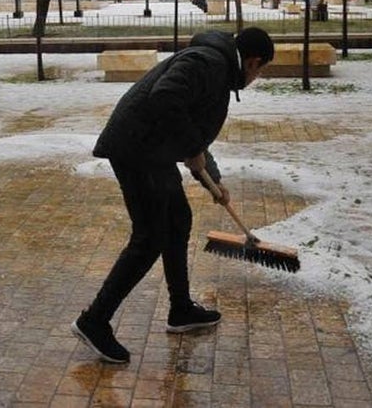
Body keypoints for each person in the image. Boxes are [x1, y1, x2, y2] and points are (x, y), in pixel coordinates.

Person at [72, 27, 276, 364]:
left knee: (178, 219)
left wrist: (213, 179)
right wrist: (193, 148)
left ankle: (181, 309)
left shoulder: (217, 66)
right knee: (150, 236)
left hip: (153, 150)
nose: (256, 78)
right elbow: (165, 97)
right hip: (137, 149)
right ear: (253, 62)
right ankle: (94, 320)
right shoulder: (209, 62)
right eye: (261, 71)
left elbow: (192, 127)